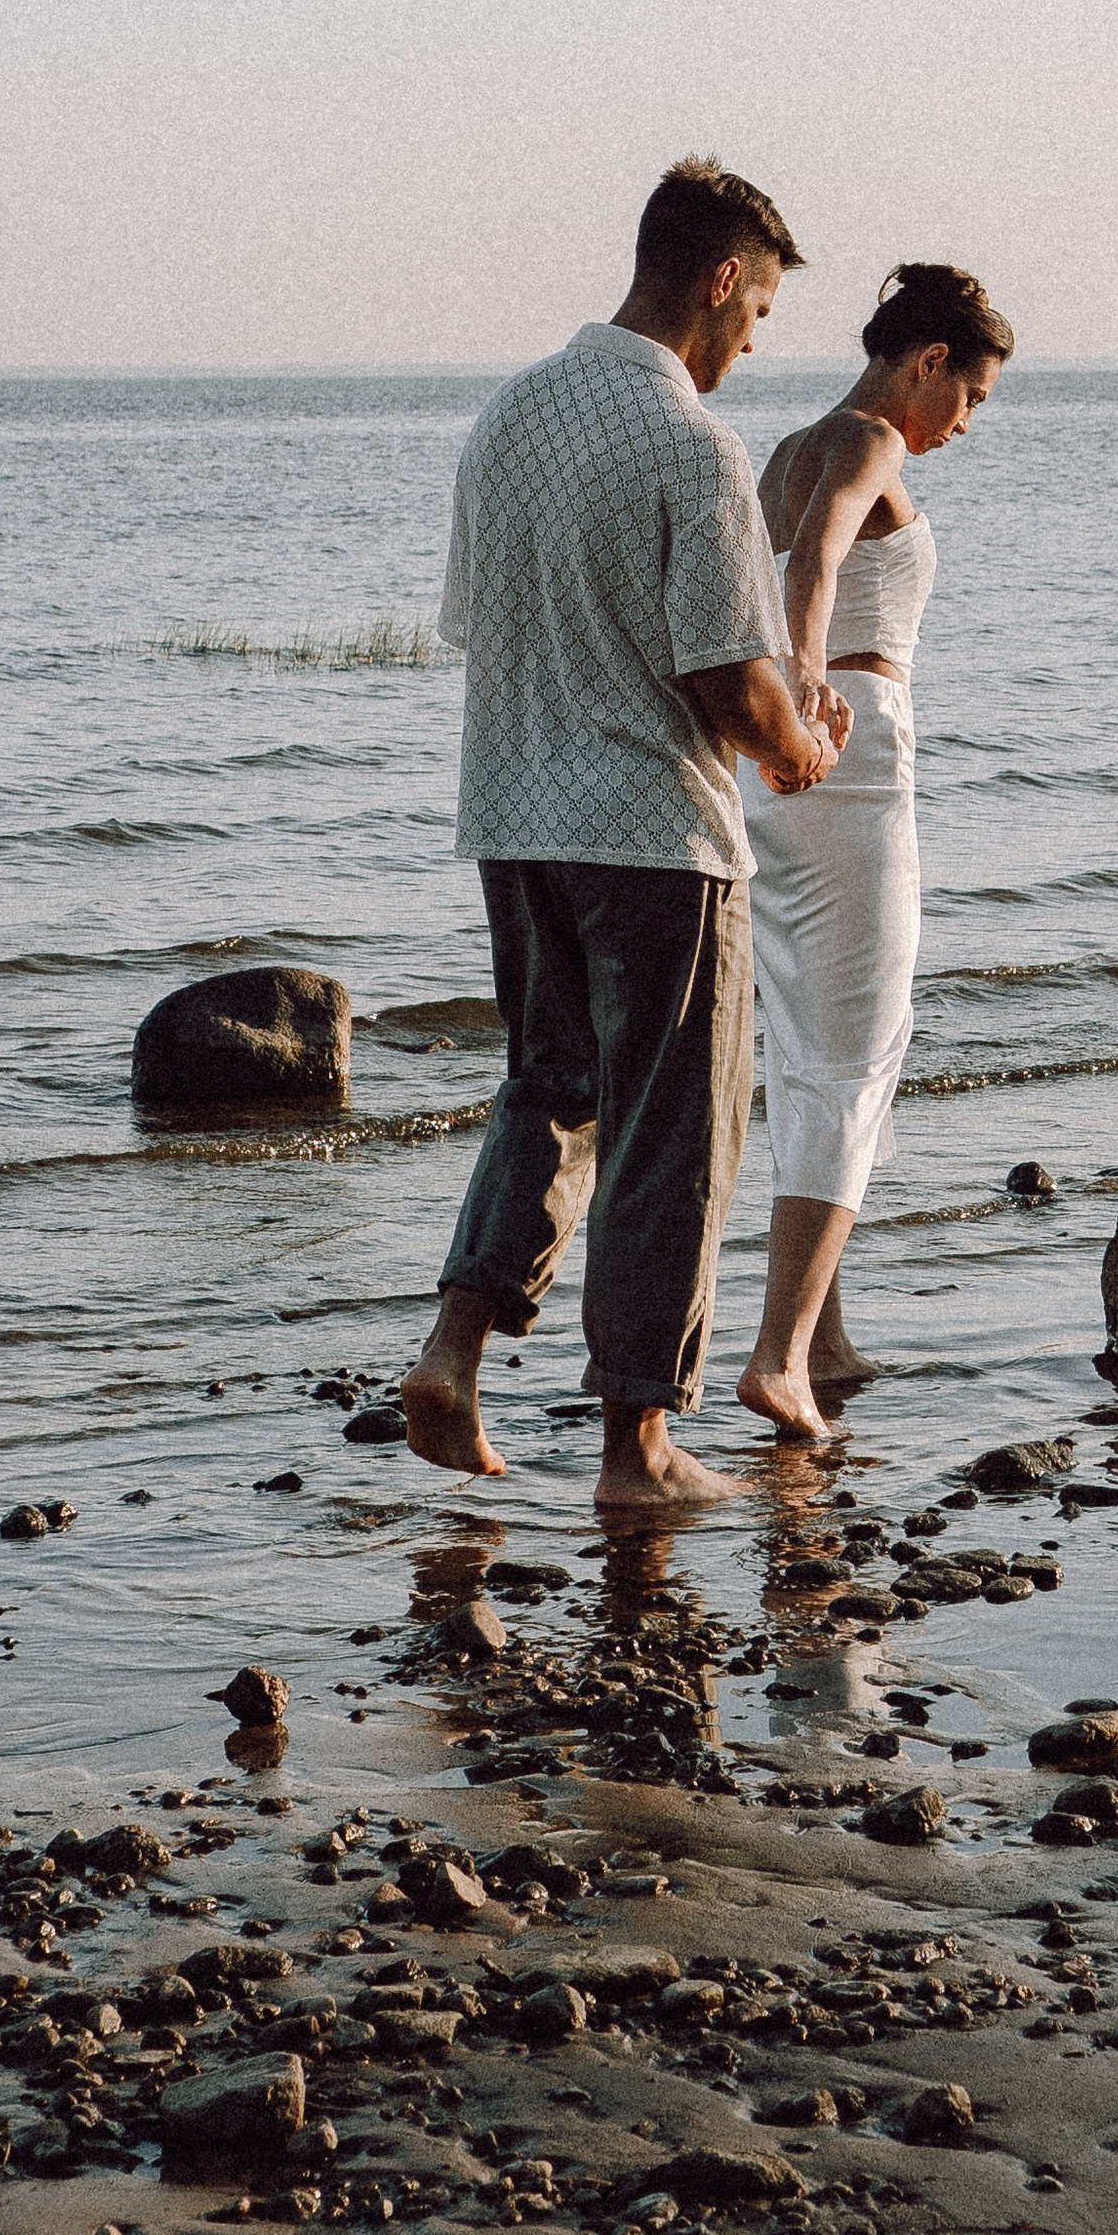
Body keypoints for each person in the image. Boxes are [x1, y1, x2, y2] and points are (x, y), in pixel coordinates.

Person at [400, 156, 842, 1514]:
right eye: (757, 314)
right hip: (652, 835)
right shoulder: (689, 443)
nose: (750, 345)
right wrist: (799, 743)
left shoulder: (511, 415)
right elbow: (725, 676)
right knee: (674, 1134)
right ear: (719, 280)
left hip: (514, 820)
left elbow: (480, 627)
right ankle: (638, 1451)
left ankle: (454, 1348)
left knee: (551, 1092)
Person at [735, 262, 1014, 1441]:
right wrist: (805, 677)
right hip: (847, 751)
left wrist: (765, 718)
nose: (965, 424)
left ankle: (823, 1335)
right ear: (928, 363)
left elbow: (737, 584)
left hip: (779, 773)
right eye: (973, 397)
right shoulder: (863, 444)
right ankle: (781, 1358)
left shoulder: (785, 446)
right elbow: (812, 565)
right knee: (856, 1053)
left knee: (804, 1049)